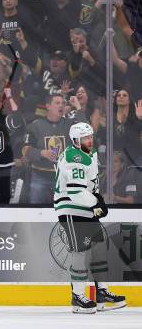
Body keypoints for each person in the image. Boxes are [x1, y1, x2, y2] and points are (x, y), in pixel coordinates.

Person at [54, 123, 126, 314]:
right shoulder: (74, 157)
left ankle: (101, 292)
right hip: (71, 208)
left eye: (91, 137)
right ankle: (78, 296)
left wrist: (96, 201)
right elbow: (76, 191)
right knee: (80, 251)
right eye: (85, 138)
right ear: (76, 141)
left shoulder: (88, 153)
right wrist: (96, 203)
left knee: (99, 247)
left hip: (85, 207)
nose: (90, 140)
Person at [23, 94, 75, 204]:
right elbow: (24, 150)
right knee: (37, 212)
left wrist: (78, 107)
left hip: (64, 178)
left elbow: (87, 134)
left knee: (65, 213)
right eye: (57, 103)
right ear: (48, 106)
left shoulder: (70, 125)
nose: (61, 105)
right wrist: (41, 153)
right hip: (40, 177)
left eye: (63, 103)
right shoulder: (35, 125)